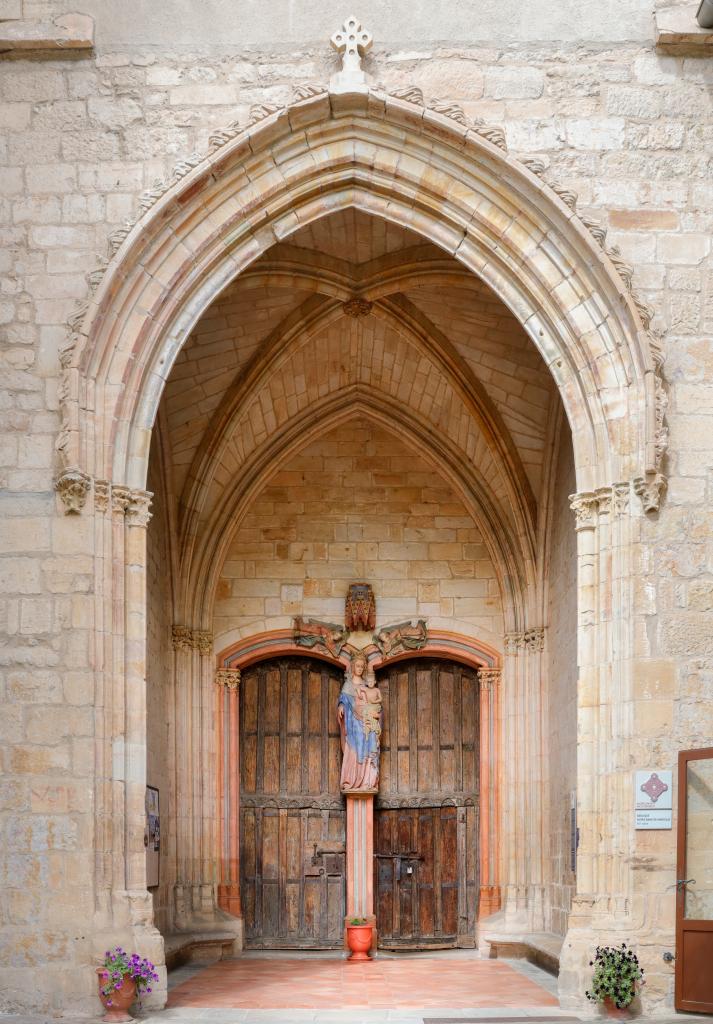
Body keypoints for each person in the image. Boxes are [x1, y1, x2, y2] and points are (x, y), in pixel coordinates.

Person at [337, 653, 382, 792]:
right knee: (355, 748)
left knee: (369, 745)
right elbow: (344, 700)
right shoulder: (348, 685)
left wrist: (376, 714)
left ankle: (367, 780)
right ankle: (353, 779)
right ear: (352, 666)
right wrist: (341, 706)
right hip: (353, 723)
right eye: (357, 665)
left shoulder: (367, 685)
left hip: (366, 722)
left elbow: (376, 706)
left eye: (362, 666)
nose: (360, 668)